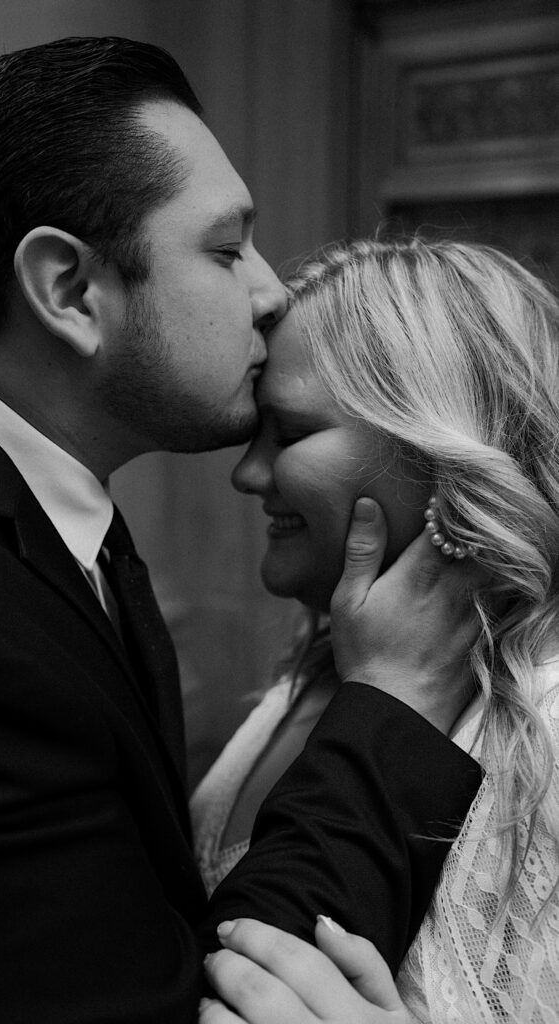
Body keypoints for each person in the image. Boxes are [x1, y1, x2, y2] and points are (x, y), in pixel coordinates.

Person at [0, 38, 481, 1023]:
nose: (271, 289)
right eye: (224, 247)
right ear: (69, 289)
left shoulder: (33, 512)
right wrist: (394, 702)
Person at [193, 238, 559, 1022]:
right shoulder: (310, 678)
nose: (247, 473)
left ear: (435, 451)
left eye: (287, 434)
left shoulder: (548, 717)